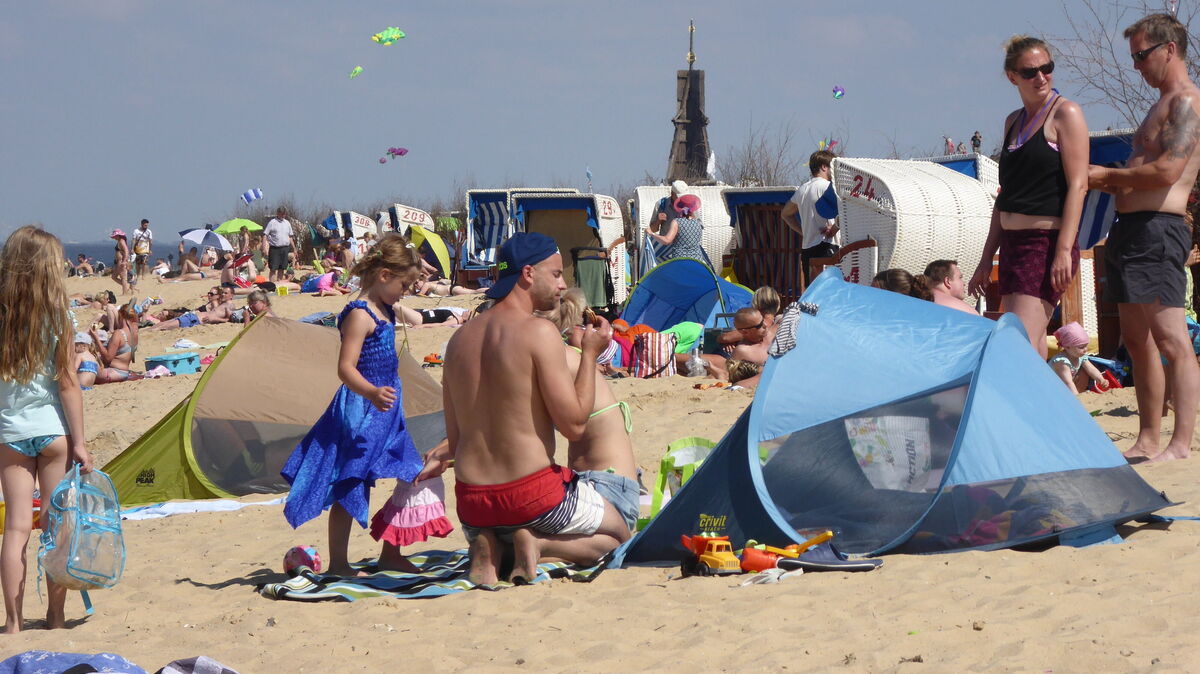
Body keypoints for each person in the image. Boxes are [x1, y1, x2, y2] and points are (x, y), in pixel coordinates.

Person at [442, 232, 629, 585]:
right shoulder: (538, 332)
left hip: (472, 502)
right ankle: (538, 544)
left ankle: (491, 545)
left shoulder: (457, 341)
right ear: (528, 274)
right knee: (618, 535)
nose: (562, 285)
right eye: (557, 274)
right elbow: (574, 426)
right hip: (531, 495)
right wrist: (589, 354)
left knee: (499, 519)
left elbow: (454, 443)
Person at [281, 234, 435, 576]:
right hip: (362, 409)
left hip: (387, 409)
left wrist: (405, 280)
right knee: (351, 483)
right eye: (403, 284)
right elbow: (345, 368)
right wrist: (371, 393)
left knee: (411, 472)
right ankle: (338, 563)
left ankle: (391, 552)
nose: (405, 292)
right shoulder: (360, 315)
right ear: (383, 275)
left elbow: (418, 319)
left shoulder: (386, 306)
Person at [1087, 13, 1200, 463]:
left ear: (1168, 49)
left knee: (1172, 337)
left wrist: (1104, 177)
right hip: (1131, 230)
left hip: (1158, 227)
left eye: (1141, 54)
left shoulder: (1186, 102)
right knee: (1135, 339)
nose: (1136, 65)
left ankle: (1180, 443)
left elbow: (1169, 171)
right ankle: (1150, 438)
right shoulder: (1161, 103)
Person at [968, 36, 1088, 359]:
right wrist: (985, 258)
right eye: (1031, 71)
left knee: (1019, 346)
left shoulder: (1066, 114)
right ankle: (1048, 409)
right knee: (1031, 345)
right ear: (1012, 77)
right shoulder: (1012, 122)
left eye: (1047, 68)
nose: (1041, 77)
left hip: (1044, 243)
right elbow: (1004, 197)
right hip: (1011, 246)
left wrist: (1064, 249)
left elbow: (1079, 185)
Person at [0, 226, 93, 634]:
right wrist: (82, 443)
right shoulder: (58, 315)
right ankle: (56, 618)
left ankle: (13, 622)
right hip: (53, 431)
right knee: (56, 528)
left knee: (16, 528)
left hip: (10, 433)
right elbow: (69, 384)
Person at [782, 150, 841, 288]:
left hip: (808, 248)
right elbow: (846, 212)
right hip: (827, 245)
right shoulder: (828, 187)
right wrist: (834, 228)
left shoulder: (802, 190)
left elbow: (785, 214)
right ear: (824, 167)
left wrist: (803, 231)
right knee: (830, 292)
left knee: (813, 295)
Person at [1049, 322, 1105, 394]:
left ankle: (1079, 392)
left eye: (1086, 346)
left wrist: (1100, 379)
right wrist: (1077, 397)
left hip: (1063, 386)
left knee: (1084, 372)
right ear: (1067, 347)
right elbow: (1068, 382)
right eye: (1081, 347)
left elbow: (1091, 369)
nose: (1085, 349)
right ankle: (1076, 395)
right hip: (1052, 388)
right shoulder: (1062, 362)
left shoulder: (1080, 356)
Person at [90, 302, 139, 383]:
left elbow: (108, 359)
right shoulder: (135, 333)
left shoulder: (119, 334)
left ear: (121, 315)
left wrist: (96, 338)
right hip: (124, 372)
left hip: (112, 373)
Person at [648, 198, 706, 264]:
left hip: (680, 260)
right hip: (697, 260)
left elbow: (667, 240)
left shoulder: (676, 222)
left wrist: (652, 234)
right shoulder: (697, 222)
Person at [263, 208, 294, 283]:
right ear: (278, 213)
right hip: (275, 248)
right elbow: (265, 235)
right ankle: (272, 285)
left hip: (285, 248)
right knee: (273, 268)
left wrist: (294, 248)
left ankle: (279, 284)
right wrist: (264, 247)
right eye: (281, 213)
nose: (283, 215)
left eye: (284, 213)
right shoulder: (272, 222)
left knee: (282, 268)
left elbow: (290, 237)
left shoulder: (287, 223)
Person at [110, 229, 131, 296]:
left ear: (118, 235)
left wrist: (124, 261)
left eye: (115, 236)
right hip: (118, 261)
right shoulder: (119, 241)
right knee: (114, 276)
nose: (114, 237)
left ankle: (125, 293)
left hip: (121, 261)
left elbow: (126, 251)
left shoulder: (122, 241)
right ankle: (127, 287)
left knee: (123, 277)